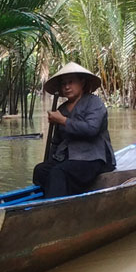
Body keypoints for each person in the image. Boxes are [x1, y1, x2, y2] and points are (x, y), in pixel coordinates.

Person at [33, 62, 115, 198]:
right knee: (41, 170)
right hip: (69, 158)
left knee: (59, 172)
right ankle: (50, 198)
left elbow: (91, 129)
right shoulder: (62, 109)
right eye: (64, 83)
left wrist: (63, 120)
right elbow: (56, 141)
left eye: (71, 82)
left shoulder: (94, 102)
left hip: (93, 158)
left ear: (82, 82)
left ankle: (56, 208)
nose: (66, 87)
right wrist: (49, 161)